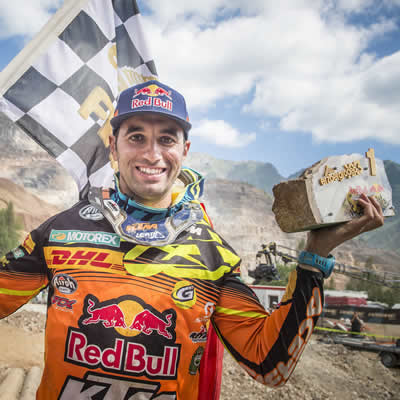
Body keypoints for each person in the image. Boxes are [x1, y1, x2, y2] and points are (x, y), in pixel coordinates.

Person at [0, 80, 384, 400]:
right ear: (113, 148)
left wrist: (315, 256)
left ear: (184, 150)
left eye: (166, 139)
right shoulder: (62, 232)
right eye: (136, 137)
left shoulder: (212, 255)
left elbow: (268, 364)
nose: (152, 153)